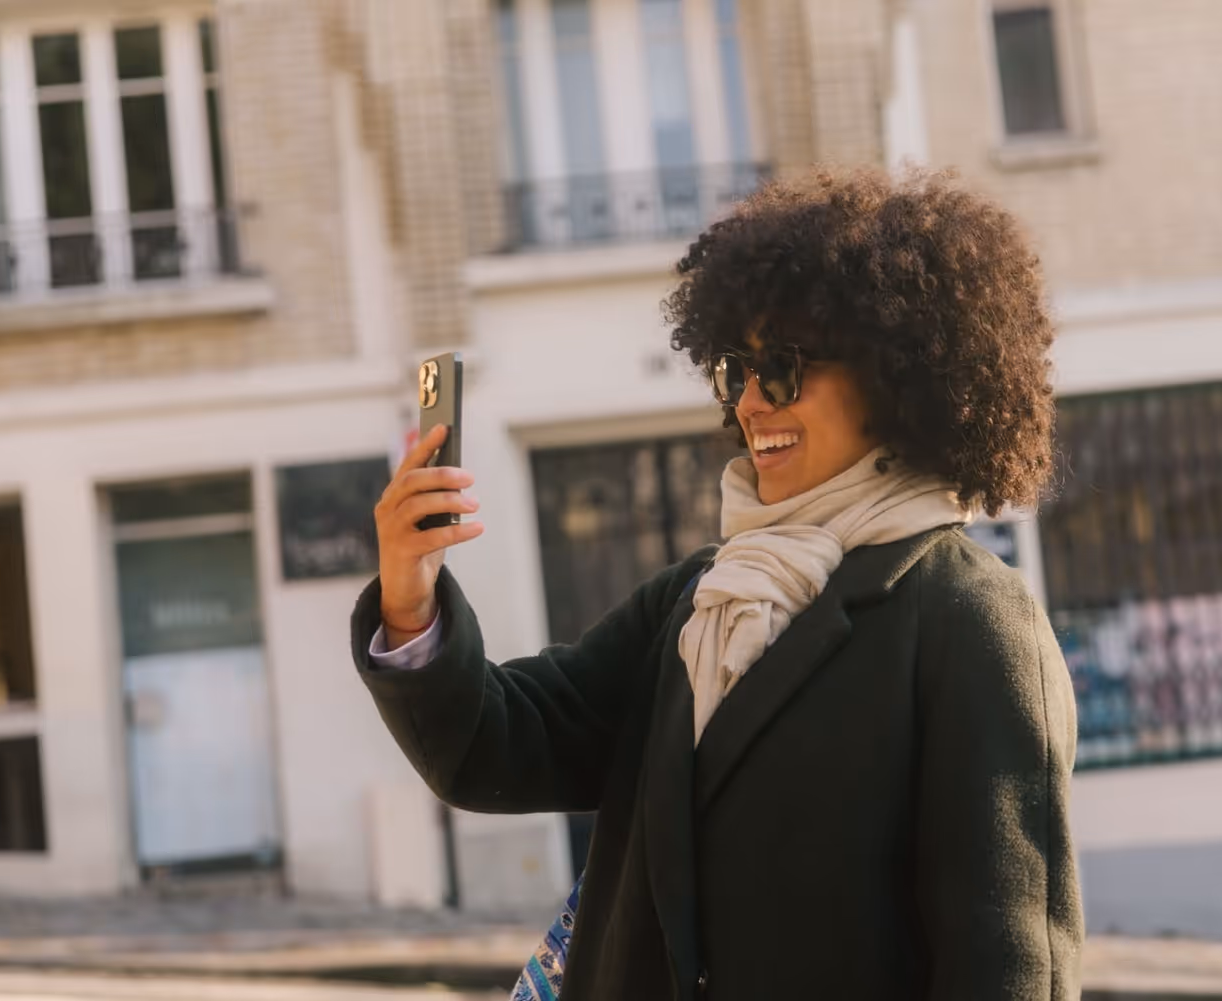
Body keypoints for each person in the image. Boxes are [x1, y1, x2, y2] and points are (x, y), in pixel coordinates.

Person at [353, 167, 1083, 1000]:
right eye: (733, 371)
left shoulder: (971, 622)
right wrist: (409, 596)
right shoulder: (695, 598)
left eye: (781, 368)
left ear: (894, 375)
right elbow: (492, 747)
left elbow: (1009, 966)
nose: (749, 403)